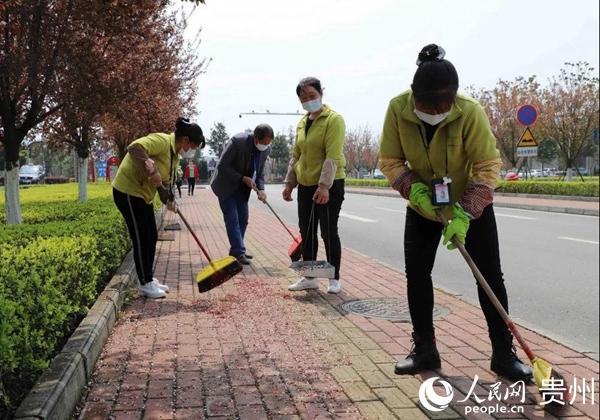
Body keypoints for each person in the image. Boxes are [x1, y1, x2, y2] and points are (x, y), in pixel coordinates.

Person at [379, 44, 532, 381]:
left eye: (442, 106)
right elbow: (390, 160)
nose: (434, 111)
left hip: (469, 207)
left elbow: (487, 164)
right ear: (414, 95)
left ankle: (503, 355)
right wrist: (413, 188)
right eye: (425, 105)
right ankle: (424, 350)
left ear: (453, 98)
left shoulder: (470, 111)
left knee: (489, 276)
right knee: (417, 275)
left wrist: (465, 213)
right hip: (423, 206)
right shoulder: (396, 109)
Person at [112, 117, 205, 298]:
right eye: (194, 146)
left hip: (143, 195)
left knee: (151, 235)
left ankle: (148, 278)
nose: (193, 151)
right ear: (185, 140)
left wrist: (169, 200)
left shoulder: (174, 157)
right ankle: (144, 284)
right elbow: (135, 148)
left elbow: (163, 185)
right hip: (128, 191)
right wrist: (152, 171)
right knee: (141, 237)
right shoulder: (162, 141)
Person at [283, 77, 346, 294]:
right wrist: (289, 183)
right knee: (307, 231)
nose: (308, 101)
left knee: (328, 232)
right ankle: (309, 276)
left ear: (321, 93)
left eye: (312, 96)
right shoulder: (302, 122)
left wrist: (324, 186)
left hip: (330, 184)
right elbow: (295, 155)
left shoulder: (333, 120)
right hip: (306, 184)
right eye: (304, 98)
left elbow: (333, 157)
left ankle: (333, 278)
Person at [210, 124, 272, 265]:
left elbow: (260, 173)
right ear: (256, 139)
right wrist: (242, 178)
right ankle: (239, 251)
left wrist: (261, 190)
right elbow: (222, 165)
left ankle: (237, 250)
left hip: (242, 189)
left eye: (268, 143)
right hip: (226, 186)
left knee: (243, 219)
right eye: (264, 143)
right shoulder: (238, 142)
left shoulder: (265, 150)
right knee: (232, 219)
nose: (266, 146)